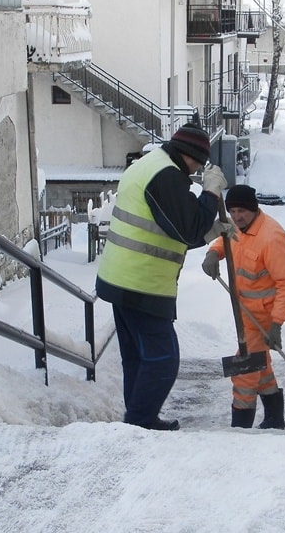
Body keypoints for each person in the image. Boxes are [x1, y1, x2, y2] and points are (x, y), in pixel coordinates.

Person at [96, 123, 230, 431]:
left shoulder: (150, 166)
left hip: (120, 278)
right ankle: (139, 423)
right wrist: (210, 192)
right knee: (163, 361)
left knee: (137, 359)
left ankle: (136, 422)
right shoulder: (167, 176)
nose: (197, 172)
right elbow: (187, 226)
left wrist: (210, 231)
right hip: (141, 284)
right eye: (199, 164)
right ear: (191, 156)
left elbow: (168, 227)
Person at [201, 185, 285, 429]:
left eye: (241, 211)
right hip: (245, 313)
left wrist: (276, 324)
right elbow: (226, 240)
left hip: (263, 317)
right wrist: (213, 253)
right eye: (232, 211)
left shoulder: (271, 237)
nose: (236, 216)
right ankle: (275, 419)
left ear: (254, 209)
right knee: (260, 368)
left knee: (244, 372)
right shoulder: (238, 227)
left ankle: (240, 430)